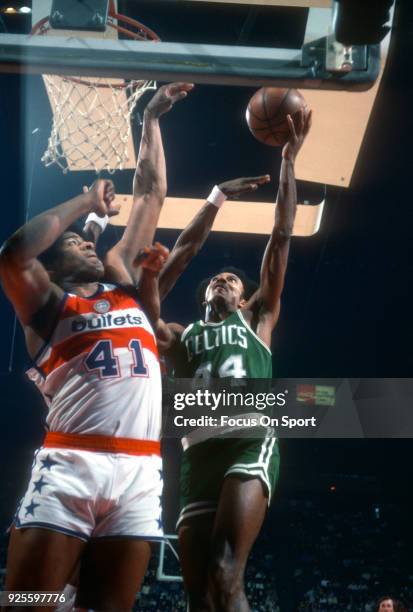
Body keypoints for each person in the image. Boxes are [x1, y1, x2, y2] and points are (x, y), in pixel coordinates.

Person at [0, 82, 192, 612]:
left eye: (88, 238)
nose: (89, 241)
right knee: (28, 603)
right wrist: (85, 201)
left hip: (140, 471)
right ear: (54, 263)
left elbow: (151, 195)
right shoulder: (46, 307)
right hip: (71, 464)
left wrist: (151, 119)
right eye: (76, 242)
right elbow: (14, 253)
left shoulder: (124, 286)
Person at [158, 107, 312, 611]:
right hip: (196, 451)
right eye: (219, 279)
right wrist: (215, 198)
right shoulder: (180, 336)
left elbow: (282, 236)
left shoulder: (256, 319)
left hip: (248, 435)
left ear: (246, 298)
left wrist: (288, 160)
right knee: (199, 595)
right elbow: (162, 278)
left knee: (227, 569)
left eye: (236, 282)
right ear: (207, 292)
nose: (226, 281)